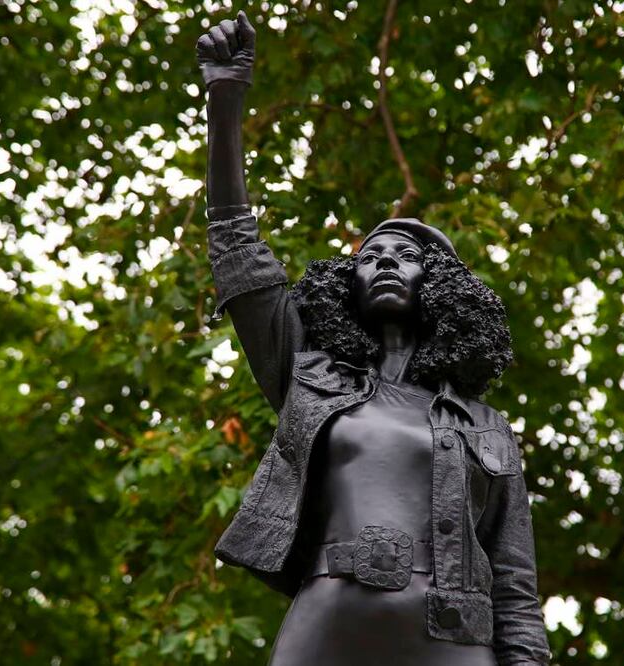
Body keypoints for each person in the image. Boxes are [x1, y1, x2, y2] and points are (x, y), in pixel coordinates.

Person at [196, 12, 551, 665]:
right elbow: (237, 249)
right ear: (347, 286)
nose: (385, 261)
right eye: (370, 256)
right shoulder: (309, 376)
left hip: (453, 639)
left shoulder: (487, 427)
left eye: (406, 256)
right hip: (330, 623)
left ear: (440, 289)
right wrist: (225, 97)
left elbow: (515, 588)